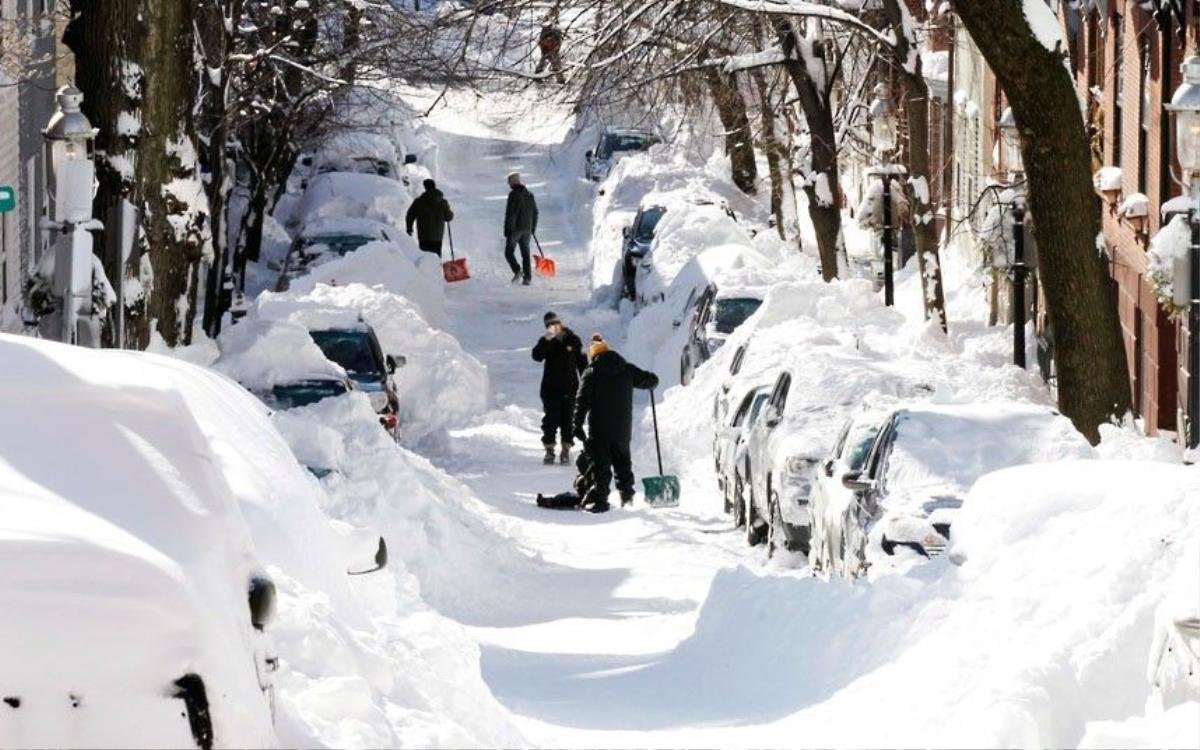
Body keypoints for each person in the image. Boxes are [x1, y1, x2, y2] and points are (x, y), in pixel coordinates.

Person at [573, 335, 659, 512]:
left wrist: (577, 425)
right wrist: (653, 381)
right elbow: (650, 380)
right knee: (622, 464)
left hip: (600, 430)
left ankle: (601, 501)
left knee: (601, 466)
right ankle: (627, 496)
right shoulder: (626, 369)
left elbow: (582, 402)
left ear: (594, 355)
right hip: (622, 430)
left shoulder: (591, 373)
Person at [532, 311, 585, 465]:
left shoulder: (573, 340)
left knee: (568, 420)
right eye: (549, 325)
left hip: (570, 388)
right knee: (550, 420)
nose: (553, 327)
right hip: (550, 388)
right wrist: (546, 339)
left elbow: (582, 363)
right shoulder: (546, 341)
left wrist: (588, 382)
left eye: (555, 323)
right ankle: (549, 449)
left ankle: (566, 449)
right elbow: (536, 356)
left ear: (561, 323)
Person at [504, 172, 539, 285]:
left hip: (515, 229)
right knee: (525, 254)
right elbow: (535, 212)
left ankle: (517, 270)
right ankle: (527, 278)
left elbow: (511, 214)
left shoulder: (513, 195)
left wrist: (508, 229)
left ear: (513, 182)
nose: (509, 185)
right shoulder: (529, 195)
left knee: (508, 252)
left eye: (509, 182)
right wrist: (533, 227)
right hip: (527, 229)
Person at [405, 179, 454, 257]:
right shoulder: (442, 202)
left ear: (425, 187)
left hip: (423, 236)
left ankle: (424, 269)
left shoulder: (419, 202)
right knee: (436, 257)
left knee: (425, 258)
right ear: (435, 186)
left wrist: (409, 228)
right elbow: (449, 217)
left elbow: (410, 215)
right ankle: (436, 268)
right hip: (437, 237)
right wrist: (448, 212)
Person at [535, 18, 565, 84]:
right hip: (547, 50)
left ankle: (560, 80)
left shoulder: (556, 31)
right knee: (543, 64)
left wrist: (555, 48)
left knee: (556, 65)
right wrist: (544, 48)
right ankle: (537, 77)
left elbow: (558, 41)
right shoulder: (544, 32)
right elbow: (541, 41)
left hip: (553, 50)